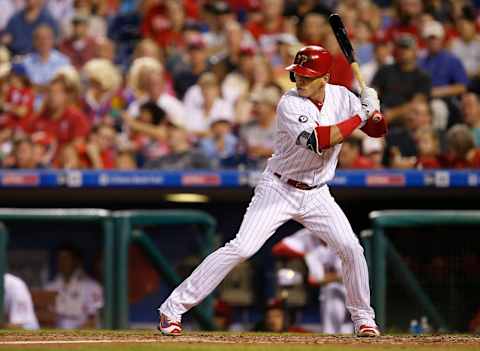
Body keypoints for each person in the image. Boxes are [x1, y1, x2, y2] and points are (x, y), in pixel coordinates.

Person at [158, 45, 387, 337]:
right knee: (242, 247)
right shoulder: (289, 103)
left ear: (326, 78)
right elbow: (319, 141)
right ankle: (172, 309)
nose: (300, 81)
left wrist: (375, 111)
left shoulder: (343, 97)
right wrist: (361, 116)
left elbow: (378, 132)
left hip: (317, 193)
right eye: (298, 75)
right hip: (279, 187)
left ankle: (364, 319)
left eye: (307, 76)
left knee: (351, 248)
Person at [272, 228, 353, 334]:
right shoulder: (309, 238)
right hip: (333, 288)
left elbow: (345, 275)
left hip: (353, 286)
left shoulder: (344, 237)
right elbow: (278, 248)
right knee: (331, 290)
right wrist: (302, 253)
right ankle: (331, 337)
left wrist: (326, 278)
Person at [44, 244, 103, 329]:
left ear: (76, 261)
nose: (62, 262)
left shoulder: (92, 287)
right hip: (56, 336)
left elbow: (93, 320)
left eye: (66, 258)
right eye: (60, 258)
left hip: (82, 336)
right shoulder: (49, 288)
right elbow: (45, 318)